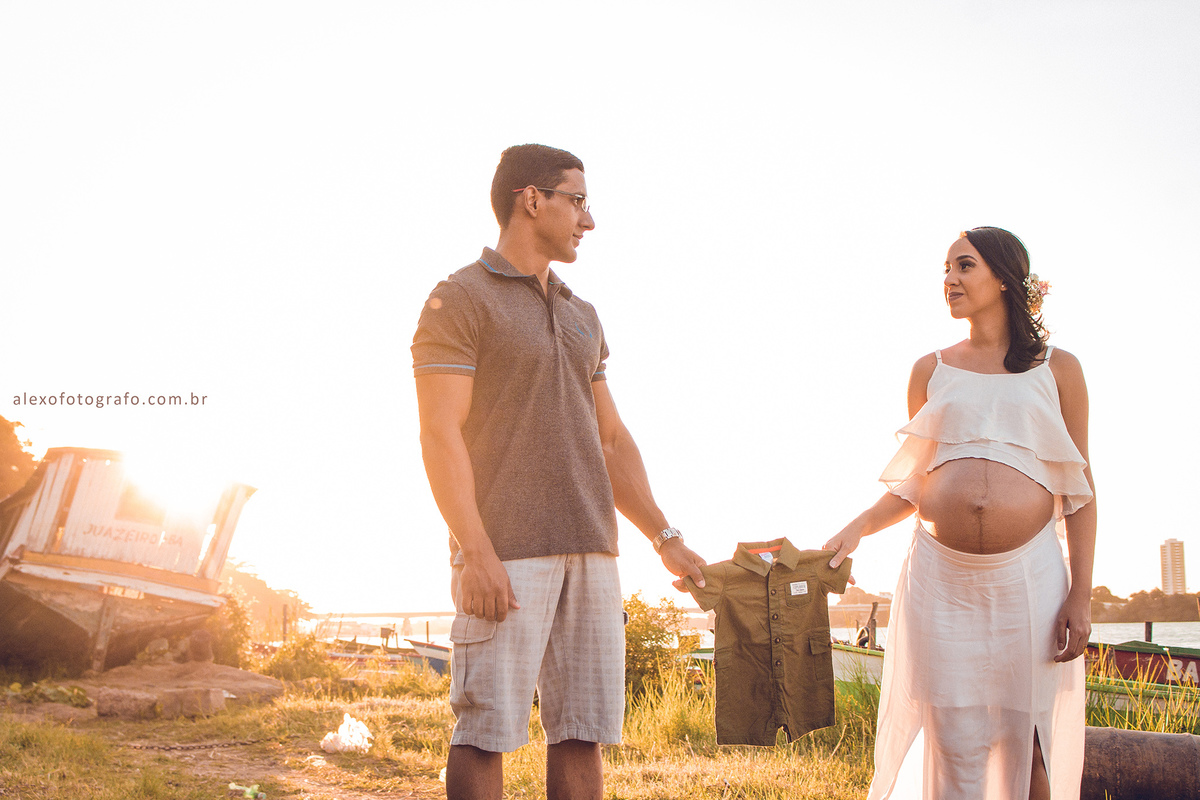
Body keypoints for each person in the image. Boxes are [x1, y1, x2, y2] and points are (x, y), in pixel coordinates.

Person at [411, 143, 707, 800]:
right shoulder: (459, 299)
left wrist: (665, 537)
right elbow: (439, 434)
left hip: (593, 548)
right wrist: (474, 550)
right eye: (577, 201)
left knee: (582, 731)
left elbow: (611, 440)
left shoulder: (582, 314)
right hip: (506, 551)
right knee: (486, 730)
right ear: (531, 199)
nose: (588, 220)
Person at [823, 227, 1096, 800]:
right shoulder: (930, 369)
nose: (949, 279)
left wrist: (1081, 595)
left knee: (1032, 744)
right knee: (955, 746)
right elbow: (915, 485)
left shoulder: (1058, 369)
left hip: (1030, 580)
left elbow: (1081, 490)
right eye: (945, 269)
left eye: (964, 266)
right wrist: (857, 528)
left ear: (1005, 278)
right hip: (941, 584)